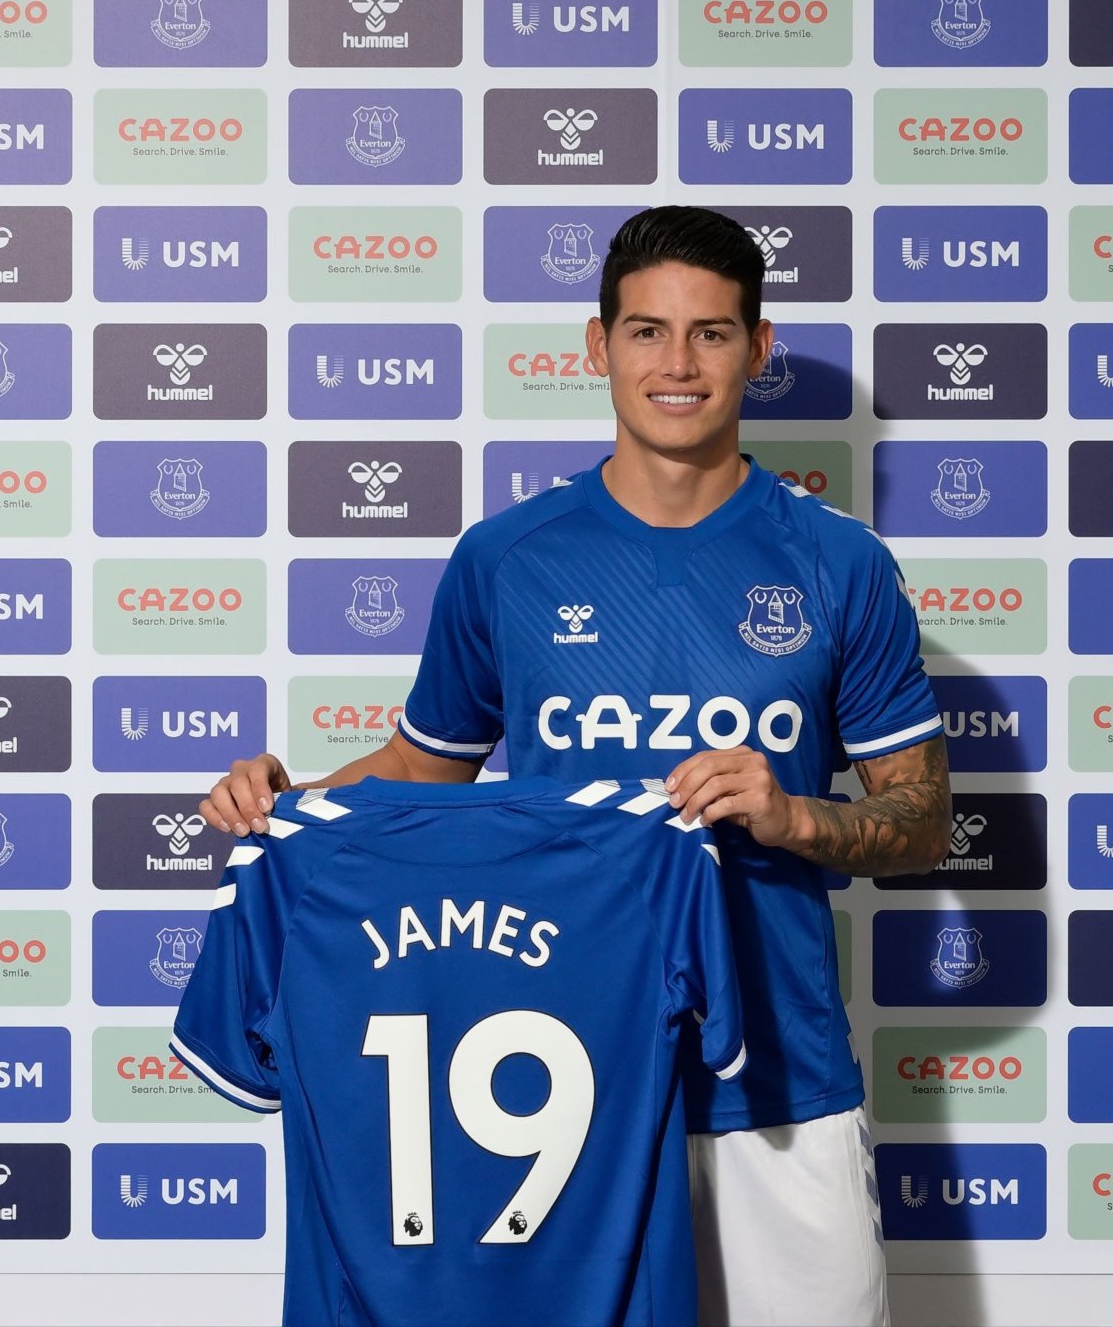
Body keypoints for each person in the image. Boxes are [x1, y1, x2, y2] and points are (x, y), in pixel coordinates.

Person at [199, 205, 951, 1327]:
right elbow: (422, 766)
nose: (677, 364)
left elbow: (922, 817)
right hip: (564, 1083)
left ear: (757, 348)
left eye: (710, 333)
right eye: (647, 331)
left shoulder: (839, 563)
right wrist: (284, 805)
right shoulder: (507, 558)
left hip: (778, 1083)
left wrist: (792, 817)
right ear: (598, 346)